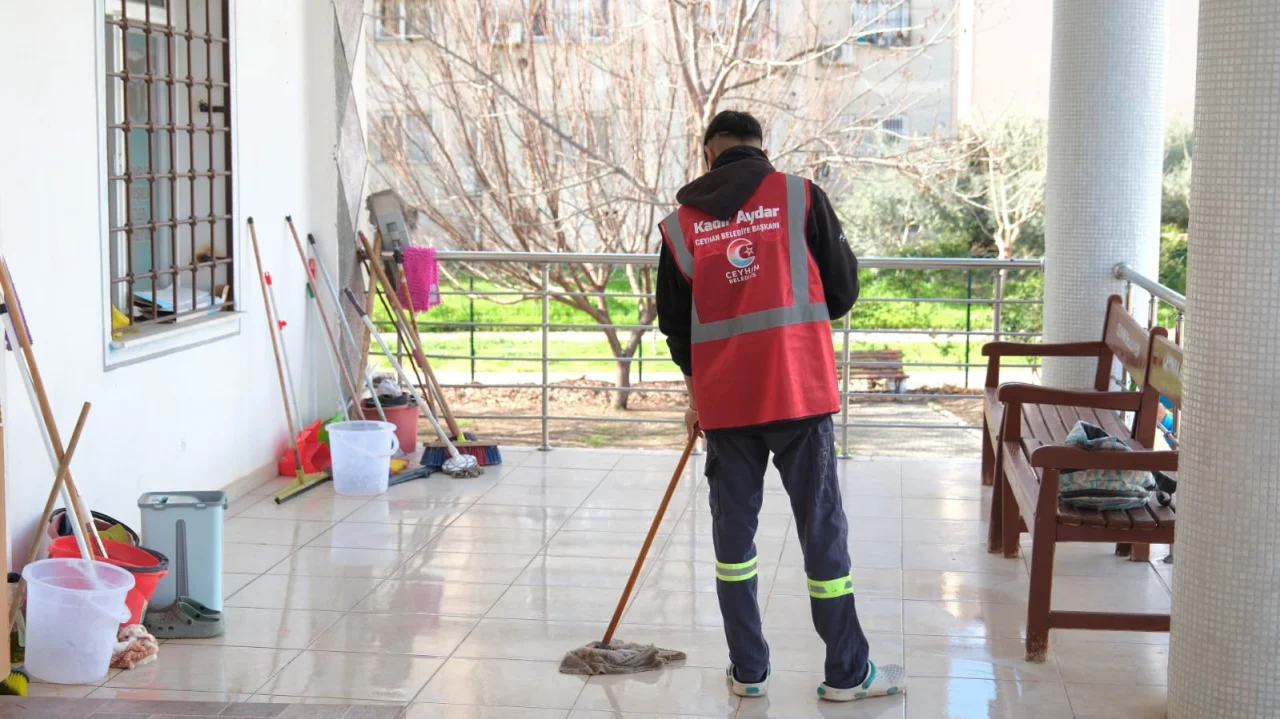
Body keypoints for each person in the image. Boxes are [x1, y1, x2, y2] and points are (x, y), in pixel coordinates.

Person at [655, 110, 906, 702]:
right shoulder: (799, 197)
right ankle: (847, 674)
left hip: (726, 408)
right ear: (760, 149)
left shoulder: (679, 226)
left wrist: (698, 399)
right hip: (799, 395)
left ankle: (748, 672)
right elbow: (842, 292)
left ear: (708, 155)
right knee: (821, 531)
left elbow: (676, 331)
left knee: (733, 544)